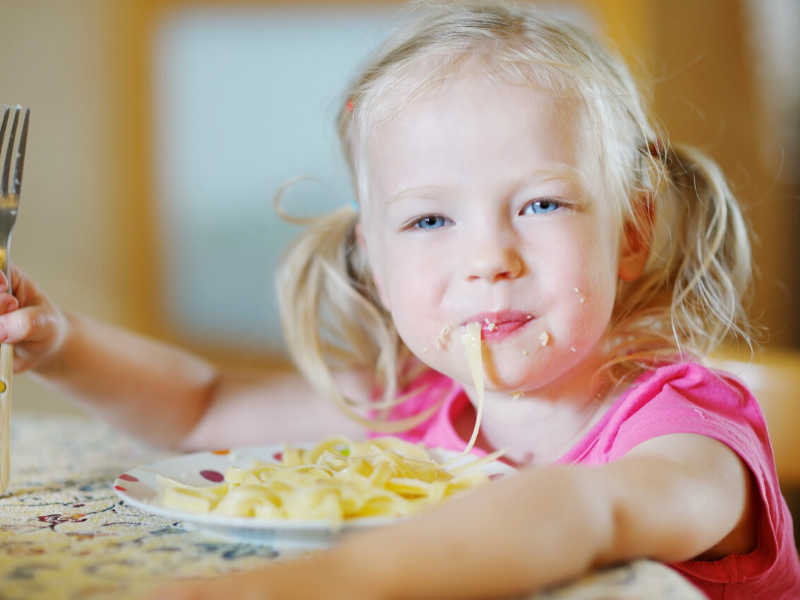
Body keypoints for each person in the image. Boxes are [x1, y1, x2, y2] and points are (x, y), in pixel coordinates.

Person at [2, 1, 799, 598]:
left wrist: (316, 586)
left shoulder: (688, 440)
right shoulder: (418, 411)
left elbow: (583, 510)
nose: (488, 258)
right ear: (374, 264)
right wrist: (62, 345)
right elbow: (201, 407)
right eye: (428, 219)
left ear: (631, 228)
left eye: (541, 205)